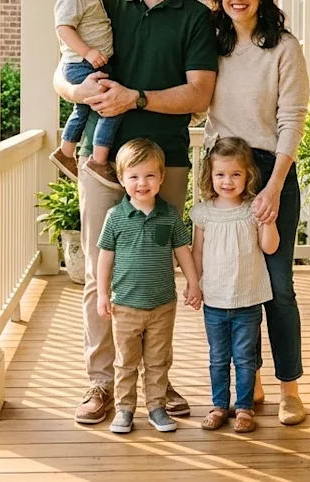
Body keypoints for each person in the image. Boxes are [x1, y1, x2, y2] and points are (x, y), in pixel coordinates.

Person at [53, 0, 218, 425]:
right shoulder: (102, 2)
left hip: (165, 157)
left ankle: (157, 385)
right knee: (97, 270)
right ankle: (101, 384)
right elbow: (62, 67)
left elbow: (199, 94)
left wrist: (136, 98)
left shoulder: (195, 17)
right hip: (104, 164)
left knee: (158, 274)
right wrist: (73, 89)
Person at [204, 0, 310, 425]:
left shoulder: (284, 48)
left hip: (270, 170)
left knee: (279, 287)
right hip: (222, 171)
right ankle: (251, 382)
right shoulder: (211, 46)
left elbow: (292, 120)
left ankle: (290, 388)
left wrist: (272, 186)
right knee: (232, 283)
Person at [96, 139, 202, 434]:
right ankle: (124, 409)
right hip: (126, 306)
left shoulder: (169, 215)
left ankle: (156, 407)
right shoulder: (115, 218)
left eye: (150, 176)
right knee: (126, 362)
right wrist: (103, 294)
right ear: (121, 179)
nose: (142, 183)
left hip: (162, 305)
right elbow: (105, 259)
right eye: (134, 176)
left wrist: (193, 284)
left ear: (161, 178)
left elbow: (183, 251)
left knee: (158, 361)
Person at [190, 137, 277, 434]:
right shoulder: (203, 213)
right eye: (220, 175)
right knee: (217, 357)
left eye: (235, 174)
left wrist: (269, 221)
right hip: (214, 300)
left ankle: (243, 407)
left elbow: (270, 247)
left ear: (248, 176)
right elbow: (197, 252)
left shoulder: (253, 209)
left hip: (248, 300)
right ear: (210, 176)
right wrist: (194, 285)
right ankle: (218, 406)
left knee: (244, 358)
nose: (227, 181)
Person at [48, 0, 122, 189]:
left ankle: (65, 152)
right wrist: (89, 52)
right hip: (82, 63)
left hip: (87, 64)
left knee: (82, 109)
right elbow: (64, 28)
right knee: (112, 106)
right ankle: (98, 160)